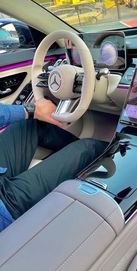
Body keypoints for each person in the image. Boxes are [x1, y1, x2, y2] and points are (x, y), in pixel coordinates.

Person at [0, 98, 108, 231]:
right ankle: (115, 152)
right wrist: (29, 109)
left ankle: (78, 161)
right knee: (88, 148)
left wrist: (29, 111)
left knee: (31, 124)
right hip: (6, 206)